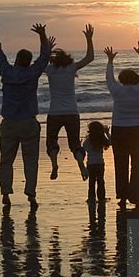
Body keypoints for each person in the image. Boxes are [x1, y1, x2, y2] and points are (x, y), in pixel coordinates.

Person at [0, 18, 53, 209]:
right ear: (29, 61)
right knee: (31, 161)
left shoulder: (6, 71)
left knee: (6, 160)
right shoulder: (33, 73)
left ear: (16, 60)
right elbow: (45, 56)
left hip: (9, 123)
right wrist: (42, 35)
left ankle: (6, 192)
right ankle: (30, 193)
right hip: (29, 122)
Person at [44, 23, 95, 180]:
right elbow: (90, 57)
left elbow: (40, 63)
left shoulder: (50, 70)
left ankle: (54, 163)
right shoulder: (72, 68)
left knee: (51, 140)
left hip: (54, 113)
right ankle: (80, 163)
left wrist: (46, 47)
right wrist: (89, 39)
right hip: (72, 112)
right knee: (74, 143)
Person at [105, 41, 139, 208]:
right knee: (138, 165)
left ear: (121, 79)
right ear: (136, 79)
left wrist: (110, 61)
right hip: (138, 129)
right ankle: (135, 197)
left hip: (119, 130)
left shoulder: (117, 91)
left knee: (120, 163)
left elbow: (109, 78)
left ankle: (122, 197)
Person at [82, 120, 111, 203]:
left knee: (91, 182)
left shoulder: (88, 141)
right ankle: (101, 198)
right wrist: (107, 133)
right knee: (101, 181)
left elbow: (84, 149)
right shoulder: (102, 140)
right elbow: (110, 141)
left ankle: (91, 198)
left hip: (90, 164)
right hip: (100, 164)